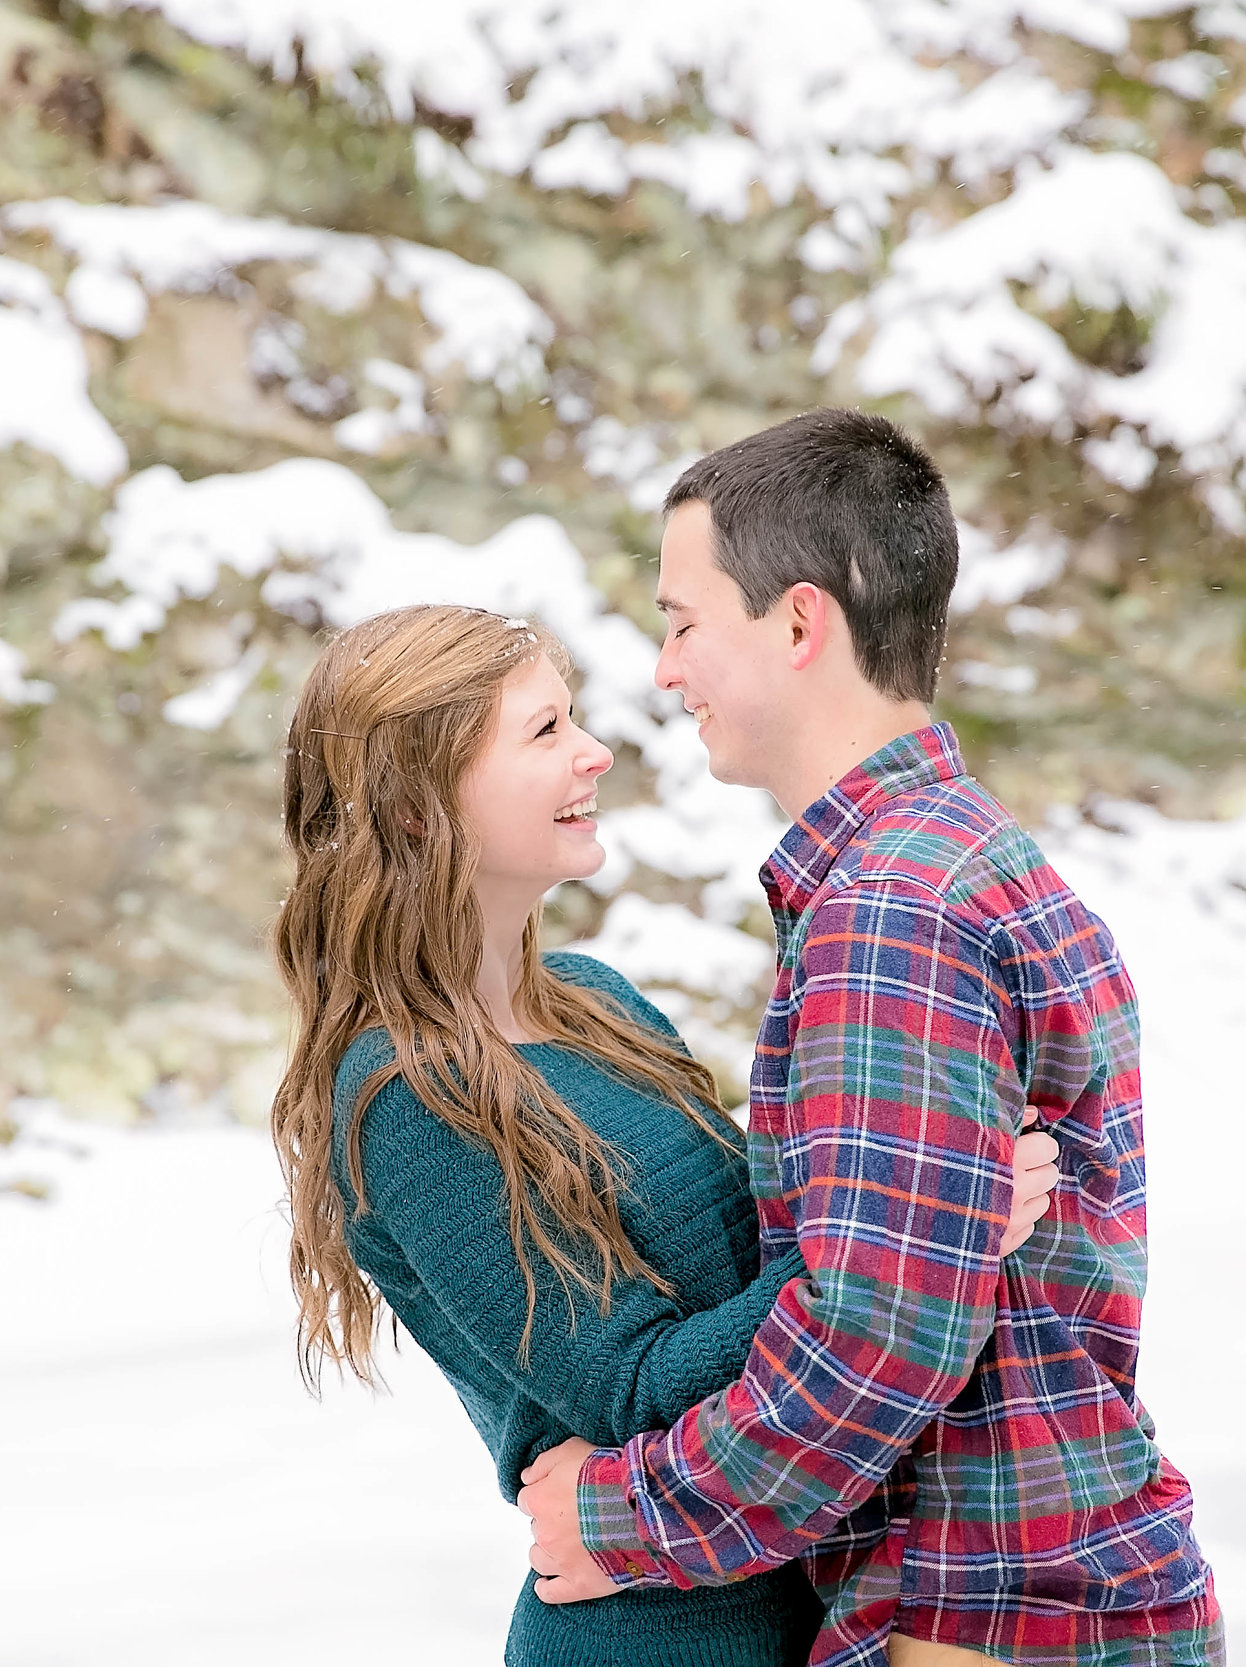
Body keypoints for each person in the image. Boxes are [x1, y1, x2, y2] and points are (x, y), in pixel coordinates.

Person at [515, 410, 1223, 1666]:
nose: (666, 671)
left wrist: (619, 1519)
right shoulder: (977, 863)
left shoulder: (889, 915)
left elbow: (874, 1341)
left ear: (798, 624)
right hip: (1049, 1592)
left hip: (985, 1615)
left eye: (683, 622)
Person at [268, 602, 1072, 1667]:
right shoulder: (408, 1094)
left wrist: (912, 1174)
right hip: (654, 1628)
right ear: (417, 807)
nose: (595, 752)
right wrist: (916, 1231)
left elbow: (773, 1236)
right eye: (545, 731)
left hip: (793, 1571)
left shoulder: (596, 1000)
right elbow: (632, 1385)